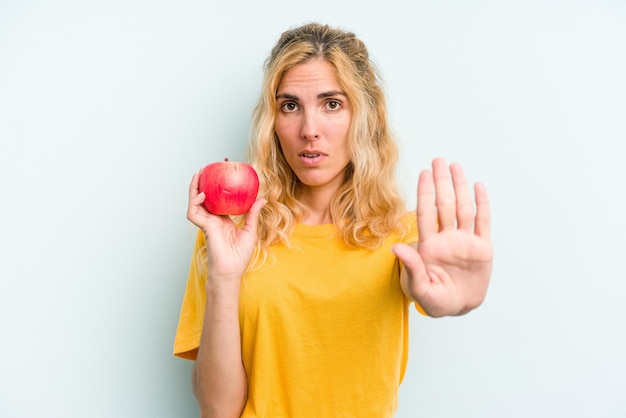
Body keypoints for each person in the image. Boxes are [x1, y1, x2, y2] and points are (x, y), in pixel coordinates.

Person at [173, 22, 493, 418]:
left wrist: (448, 296)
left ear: (365, 116)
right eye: (290, 106)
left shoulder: (402, 236)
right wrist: (224, 277)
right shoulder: (229, 234)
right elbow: (218, 411)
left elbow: (417, 272)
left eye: (332, 104)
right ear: (272, 123)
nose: (310, 131)